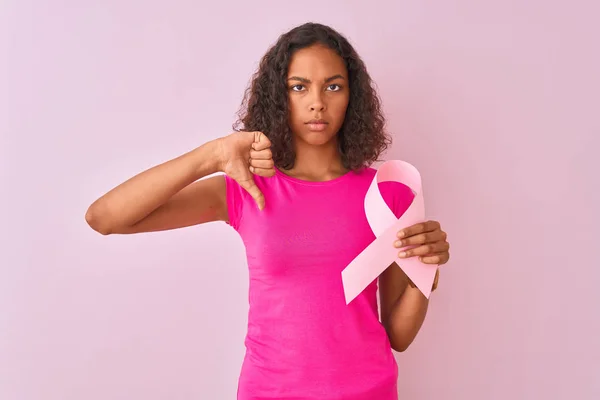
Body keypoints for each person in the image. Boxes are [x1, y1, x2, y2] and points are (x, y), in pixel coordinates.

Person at [85, 22, 450, 400]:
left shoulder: (388, 192)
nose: (317, 102)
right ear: (280, 95)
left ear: (351, 96)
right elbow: (105, 218)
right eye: (299, 86)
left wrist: (425, 274)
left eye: (333, 86)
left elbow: (399, 336)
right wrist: (212, 155)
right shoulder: (247, 186)